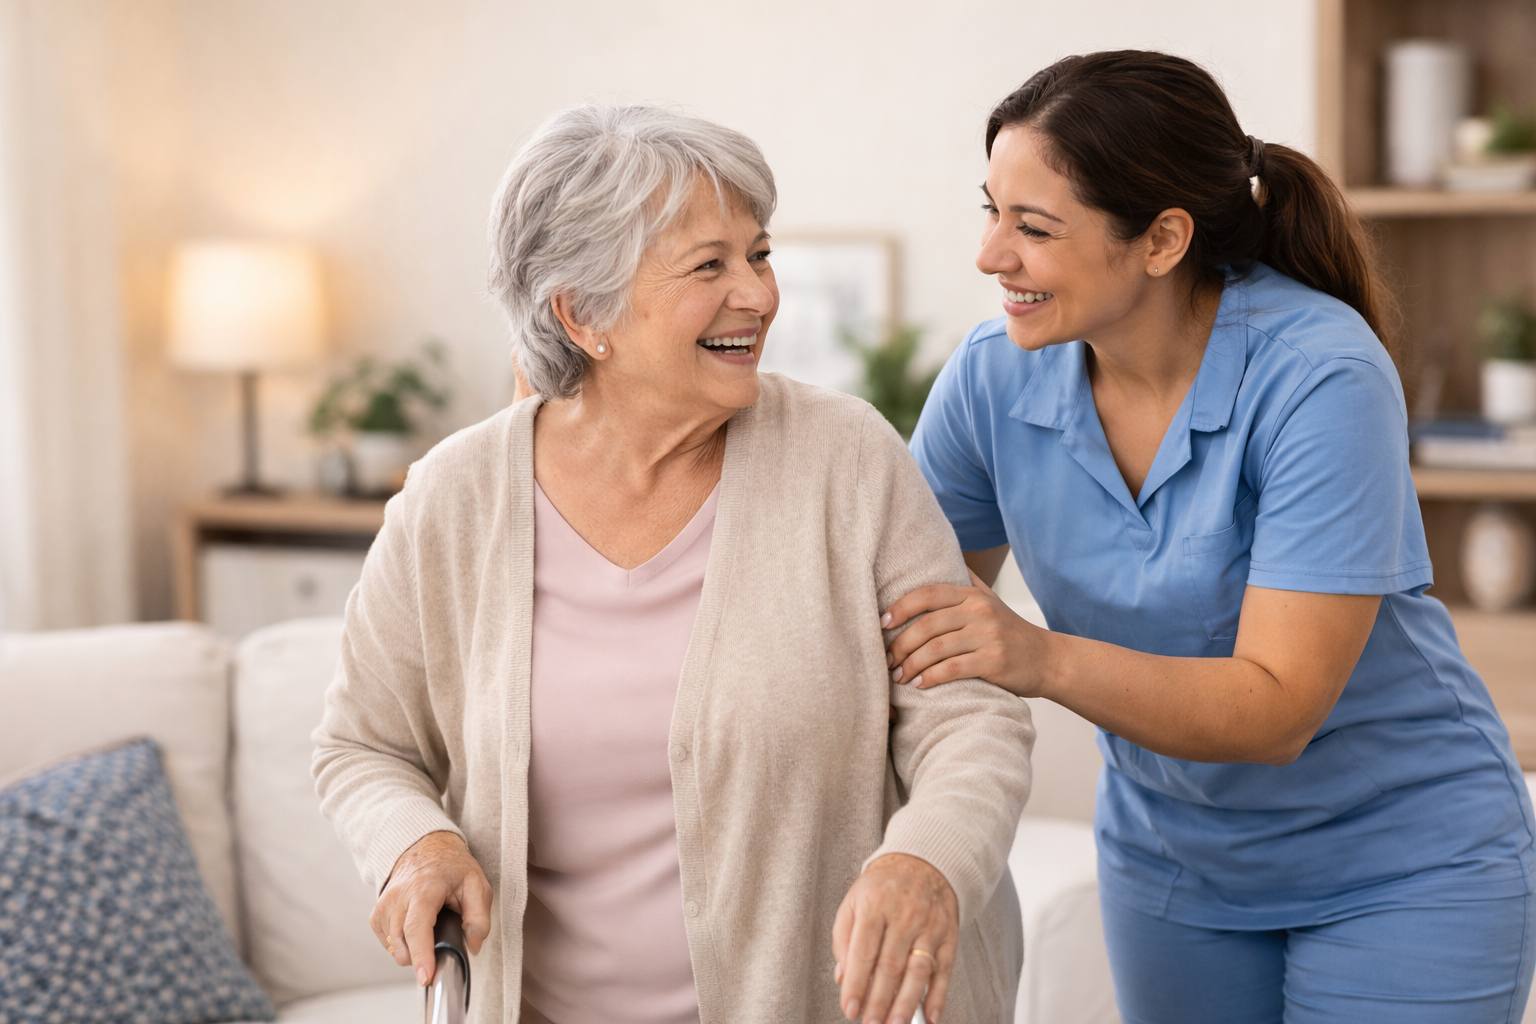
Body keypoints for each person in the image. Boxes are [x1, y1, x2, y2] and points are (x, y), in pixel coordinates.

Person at [313, 104, 1034, 1024]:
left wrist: (923, 858)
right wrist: (417, 844)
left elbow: (969, 717)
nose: (761, 295)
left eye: (759, 254)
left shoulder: (844, 458)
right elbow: (363, 744)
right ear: (584, 314)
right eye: (710, 265)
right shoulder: (455, 498)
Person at [883, 51, 1536, 1024]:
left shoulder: (1319, 375)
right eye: (991, 210)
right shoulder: (994, 382)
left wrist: (1037, 655)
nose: (989, 254)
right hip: (1173, 865)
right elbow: (898, 617)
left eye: (1033, 228)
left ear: (1162, 239)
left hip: (1402, 862)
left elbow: (1276, 706)